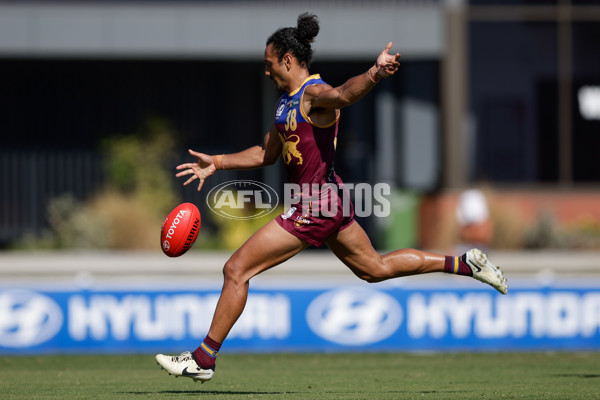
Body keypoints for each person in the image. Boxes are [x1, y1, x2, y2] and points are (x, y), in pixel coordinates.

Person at [155, 13, 508, 383]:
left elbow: (343, 94)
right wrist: (218, 162)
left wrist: (374, 74)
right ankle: (465, 263)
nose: (266, 71)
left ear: (287, 60)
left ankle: (203, 358)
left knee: (236, 270)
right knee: (376, 269)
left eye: (269, 64)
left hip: (314, 206)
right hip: (330, 200)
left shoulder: (312, 93)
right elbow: (266, 153)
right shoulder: (284, 104)